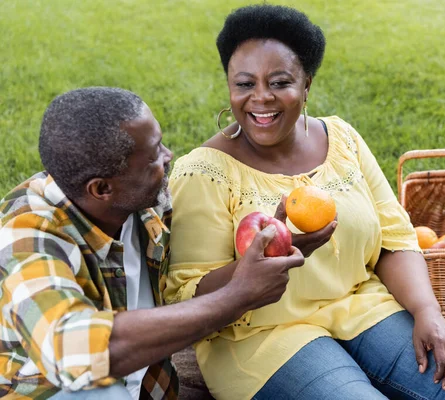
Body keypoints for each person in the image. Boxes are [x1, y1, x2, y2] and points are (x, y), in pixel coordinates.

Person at [165, 5, 445, 400]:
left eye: (280, 82)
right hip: (260, 338)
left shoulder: (342, 139)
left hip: (362, 308)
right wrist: (253, 271)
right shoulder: (202, 172)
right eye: (244, 84)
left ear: (307, 86)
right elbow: (187, 294)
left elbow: (395, 238)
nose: (261, 98)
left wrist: (429, 313)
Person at [0, 87, 304, 400]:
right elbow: (71, 349)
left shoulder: (146, 205)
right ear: (102, 188)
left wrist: (275, 245)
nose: (169, 156)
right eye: (154, 155)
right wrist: (236, 298)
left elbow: (205, 263)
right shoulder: (26, 234)